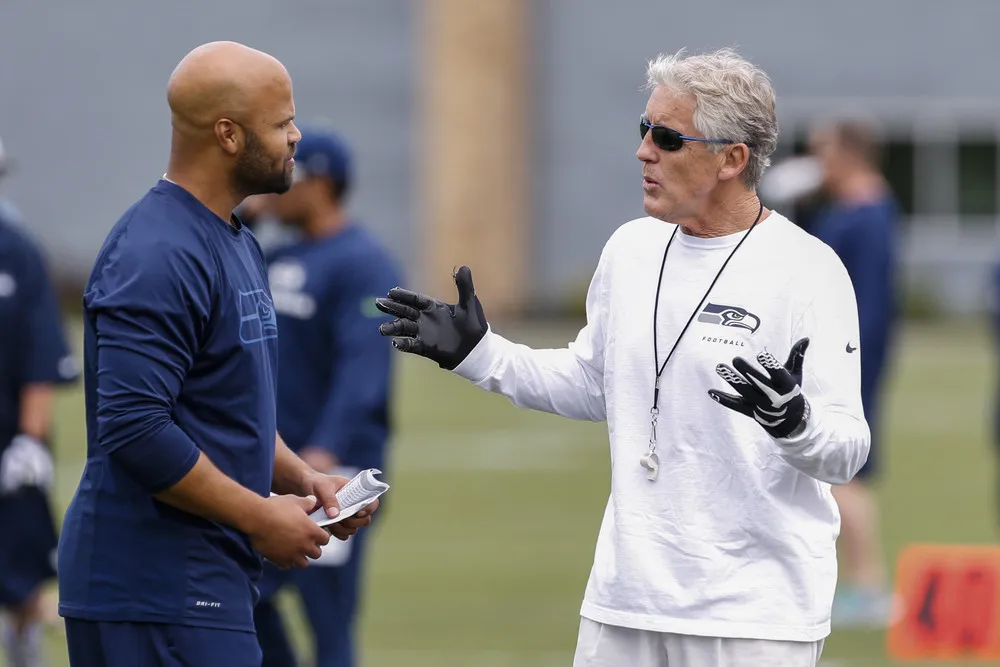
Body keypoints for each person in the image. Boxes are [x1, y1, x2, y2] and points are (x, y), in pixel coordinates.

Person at [376, 48, 870, 667]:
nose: (644, 152)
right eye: (644, 131)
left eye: (667, 138)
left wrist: (794, 423)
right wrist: (481, 354)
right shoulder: (631, 250)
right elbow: (594, 383)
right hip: (624, 602)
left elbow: (847, 450)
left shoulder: (809, 271)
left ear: (732, 158)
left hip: (753, 615)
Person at [56, 41, 379, 667]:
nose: (296, 136)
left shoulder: (235, 239)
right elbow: (136, 427)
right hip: (151, 591)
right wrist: (260, 515)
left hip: (203, 583)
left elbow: (227, 407)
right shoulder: (156, 252)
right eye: (282, 122)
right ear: (229, 135)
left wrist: (301, 478)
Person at [250, 129, 402, 667]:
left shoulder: (364, 262)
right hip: (278, 466)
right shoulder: (277, 252)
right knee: (243, 596)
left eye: (291, 173)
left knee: (327, 619)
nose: (278, 182)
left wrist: (324, 451)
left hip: (336, 474)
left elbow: (363, 368)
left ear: (321, 184)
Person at [806, 119, 899, 627]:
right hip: (844, 354)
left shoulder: (867, 213)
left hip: (850, 358)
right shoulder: (851, 208)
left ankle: (869, 586)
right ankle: (859, 583)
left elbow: (868, 302)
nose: (819, 163)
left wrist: (847, 361)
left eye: (824, 152)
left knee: (847, 471)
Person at [0, 136, 79, 667]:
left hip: (8, 448)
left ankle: (24, 646)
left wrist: (30, 441)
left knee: (21, 573)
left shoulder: (16, 249)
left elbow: (40, 353)